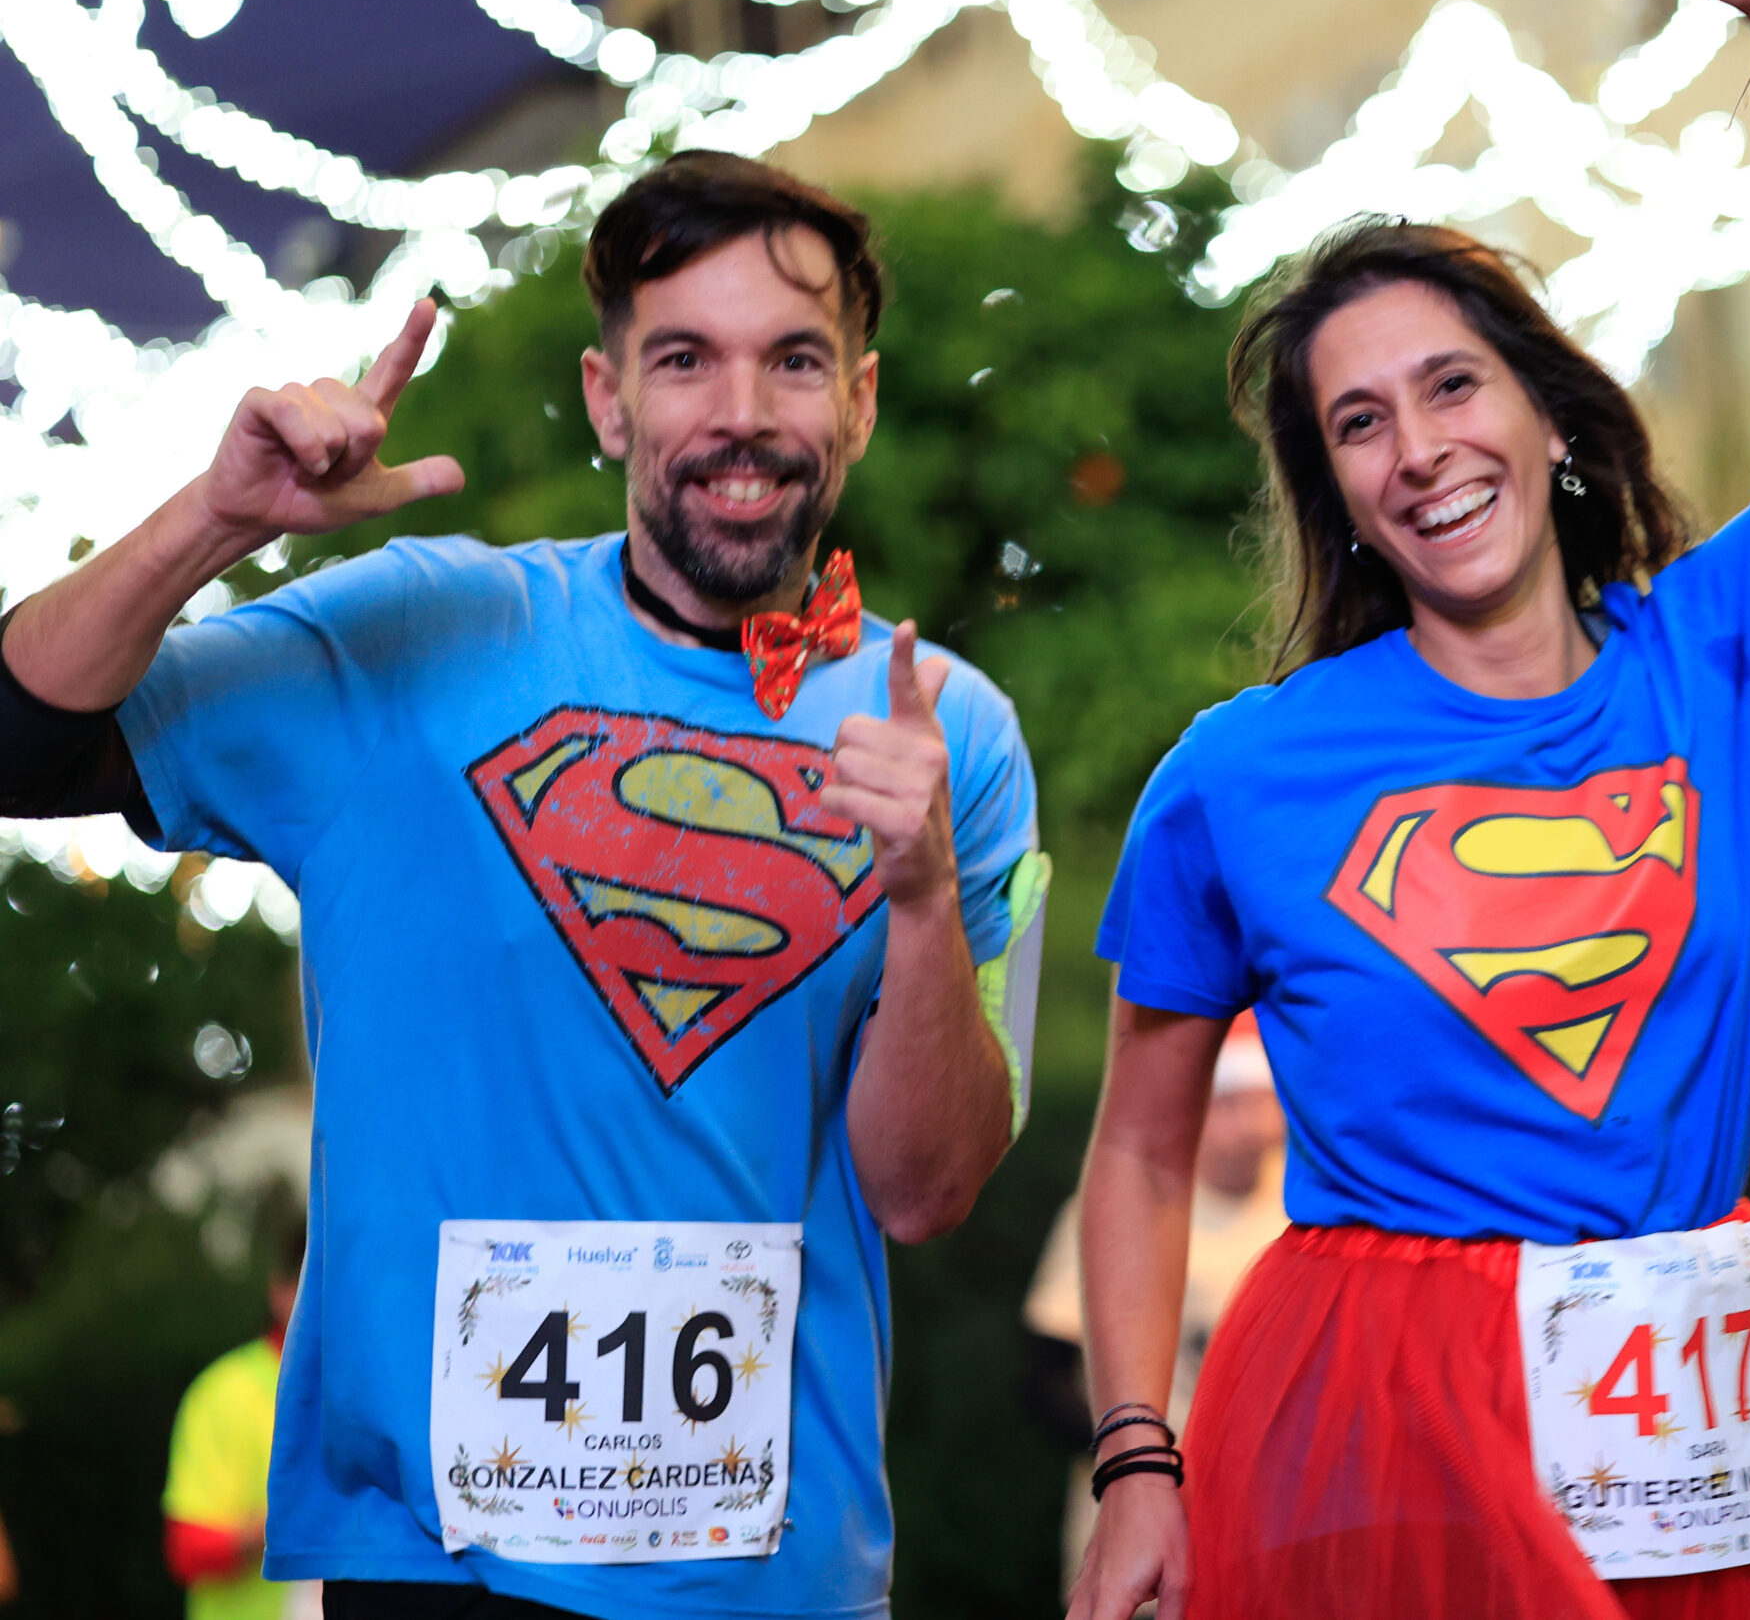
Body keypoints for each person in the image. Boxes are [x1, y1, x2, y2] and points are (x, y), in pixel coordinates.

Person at [1069, 0, 1750, 1617]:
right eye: (1360, 422)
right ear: (1337, 490)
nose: (1421, 447)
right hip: (1379, 1415)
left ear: (1550, 417)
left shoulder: (1735, 650)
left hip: (1703, 1398)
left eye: (1453, 385)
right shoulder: (1241, 775)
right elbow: (1142, 1148)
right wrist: (1139, 1453)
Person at [0, 152, 1045, 1619]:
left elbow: (927, 1190)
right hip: (437, 1566)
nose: (742, 412)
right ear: (608, 399)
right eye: (684, 360)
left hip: (775, 1578)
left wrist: (923, 898)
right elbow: (21, 740)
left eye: (794, 361)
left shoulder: (948, 734)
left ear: (859, 401)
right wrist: (219, 520)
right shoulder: (423, 634)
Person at [1023, 1014, 1288, 1595]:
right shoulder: (1127, 1205)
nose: (1251, 1125)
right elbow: (1044, 1375)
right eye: (1231, 1103)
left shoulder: (1303, 1206)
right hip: (1145, 1521)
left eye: (1262, 1102)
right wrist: (1139, 1463)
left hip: (1271, 1531)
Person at [164, 1221, 321, 1620]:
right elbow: (187, 1551)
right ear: (280, 1291)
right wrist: (288, 1521)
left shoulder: (377, 1390)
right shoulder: (226, 1392)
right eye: (315, 1283)